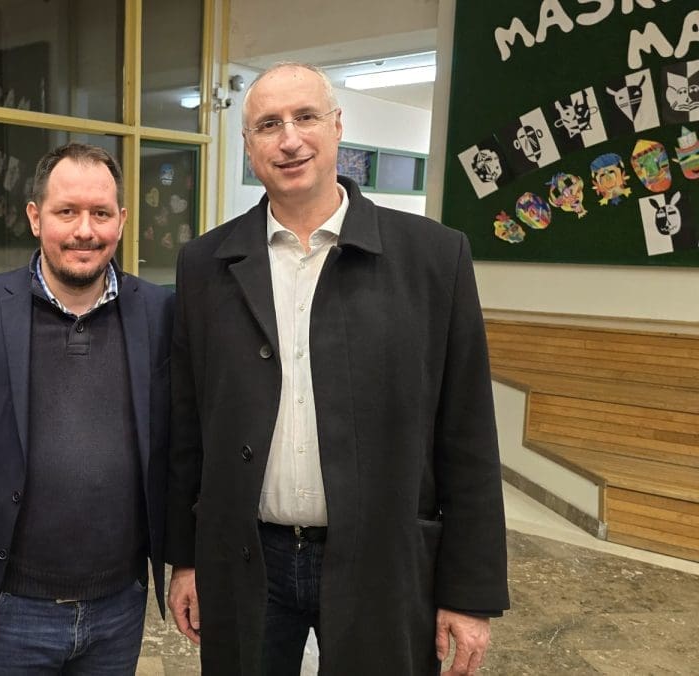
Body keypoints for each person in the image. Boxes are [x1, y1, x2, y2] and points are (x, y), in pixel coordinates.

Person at [165, 63, 509, 675]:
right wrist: (185, 559)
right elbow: (188, 426)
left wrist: (469, 593)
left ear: (337, 126)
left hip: (383, 560)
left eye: (306, 117)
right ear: (248, 145)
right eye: (268, 125)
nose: (289, 140)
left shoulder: (433, 257)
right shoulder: (204, 264)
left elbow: (468, 435)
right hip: (247, 559)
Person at [0, 143, 174, 675]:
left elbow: (180, 444)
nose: (84, 230)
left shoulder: (161, 312)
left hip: (120, 606)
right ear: (35, 217)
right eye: (67, 212)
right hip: (11, 608)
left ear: (122, 220)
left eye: (101, 213)